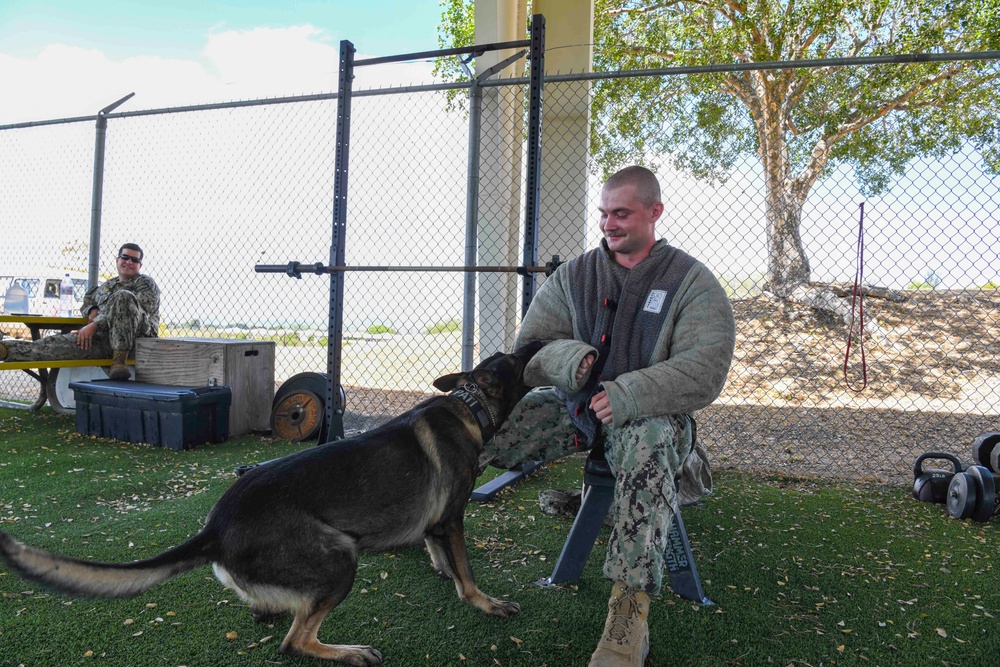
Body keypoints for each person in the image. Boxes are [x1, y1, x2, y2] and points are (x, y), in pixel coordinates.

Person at [482, 166, 736, 666]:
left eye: (621, 213)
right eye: (603, 213)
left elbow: (706, 368)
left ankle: (628, 619)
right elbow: (528, 350)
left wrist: (629, 394)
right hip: (575, 412)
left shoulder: (692, 282)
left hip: (657, 423)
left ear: (654, 212)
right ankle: (417, 517)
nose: (608, 224)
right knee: (478, 420)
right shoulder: (573, 275)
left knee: (644, 443)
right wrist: (568, 361)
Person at [0, 243, 160, 381]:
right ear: (117, 260)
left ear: (140, 265)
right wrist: (92, 310)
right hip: (103, 341)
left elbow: (136, 309)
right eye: (125, 257)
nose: (129, 262)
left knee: (124, 296)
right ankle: (6, 350)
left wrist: (95, 324)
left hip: (136, 343)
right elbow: (88, 301)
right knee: (52, 345)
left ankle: (119, 360)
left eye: (135, 260)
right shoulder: (107, 286)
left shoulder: (145, 283)